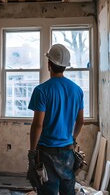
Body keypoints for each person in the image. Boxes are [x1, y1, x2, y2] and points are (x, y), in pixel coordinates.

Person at [27, 44, 84, 195]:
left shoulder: (41, 91)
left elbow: (38, 125)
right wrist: (73, 138)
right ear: (65, 66)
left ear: (49, 64)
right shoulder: (77, 90)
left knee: (47, 191)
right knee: (68, 191)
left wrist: (32, 152)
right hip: (68, 153)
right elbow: (80, 121)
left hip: (46, 153)